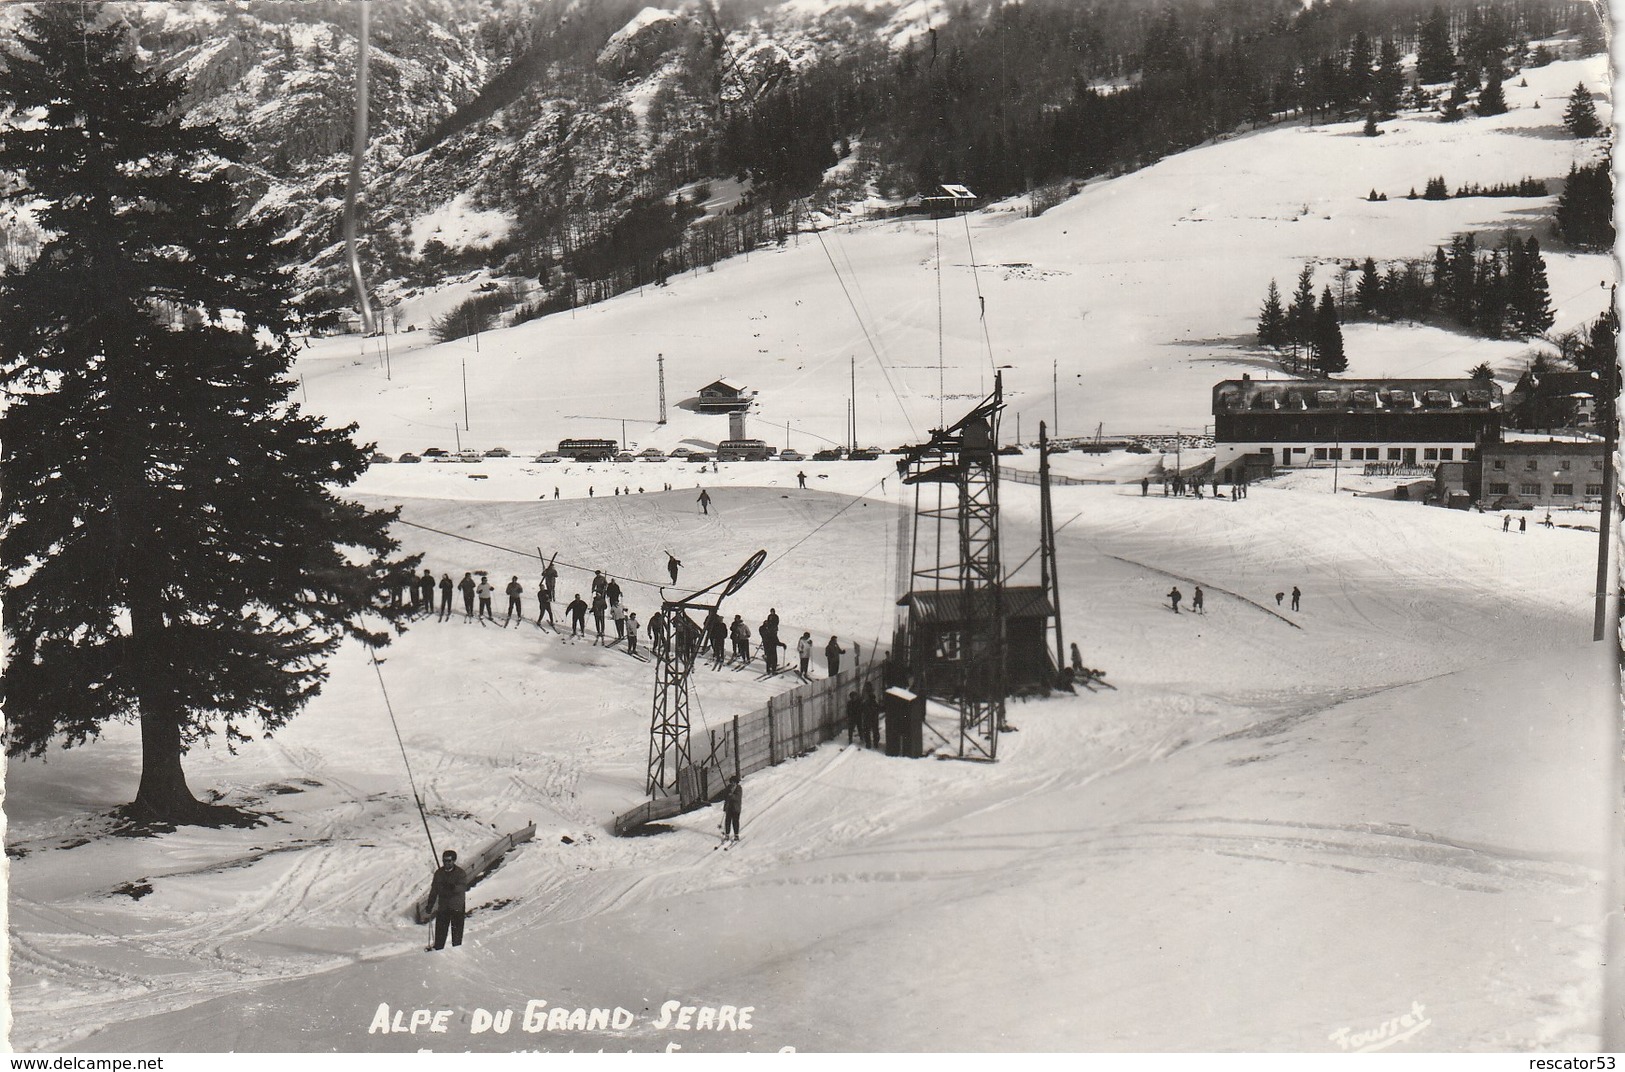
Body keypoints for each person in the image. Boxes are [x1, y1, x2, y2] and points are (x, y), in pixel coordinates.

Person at [425, 849, 469, 951]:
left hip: (456, 907)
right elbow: (434, 890)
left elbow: (462, 887)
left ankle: (457, 953)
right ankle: (438, 952)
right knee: (440, 934)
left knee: (457, 936)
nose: (446, 863)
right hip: (443, 907)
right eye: (444, 861)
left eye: (449, 861)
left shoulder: (460, 873)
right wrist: (430, 904)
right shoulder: (439, 873)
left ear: (454, 861)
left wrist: (452, 887)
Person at [722, 774, 742, 842]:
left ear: (736, 782)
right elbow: (725, 797)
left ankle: (736, 835)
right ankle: (727, 835)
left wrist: (731, 795)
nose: (732, 783)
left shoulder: (739, 788)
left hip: (736, 808)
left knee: (735, 821)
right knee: (727, 821)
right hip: (729, 807)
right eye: (731, 782)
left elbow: (738, 798)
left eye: (734, 782)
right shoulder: (728, 788)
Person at [861, 683, 882, 750]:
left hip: (868, 718)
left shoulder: (865, 702)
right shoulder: (874, 702)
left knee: (867, 731)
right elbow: (878, 709)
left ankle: (869, 743)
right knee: (874, 730)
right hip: (873, 718)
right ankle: (875, 743)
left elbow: (862, 709)